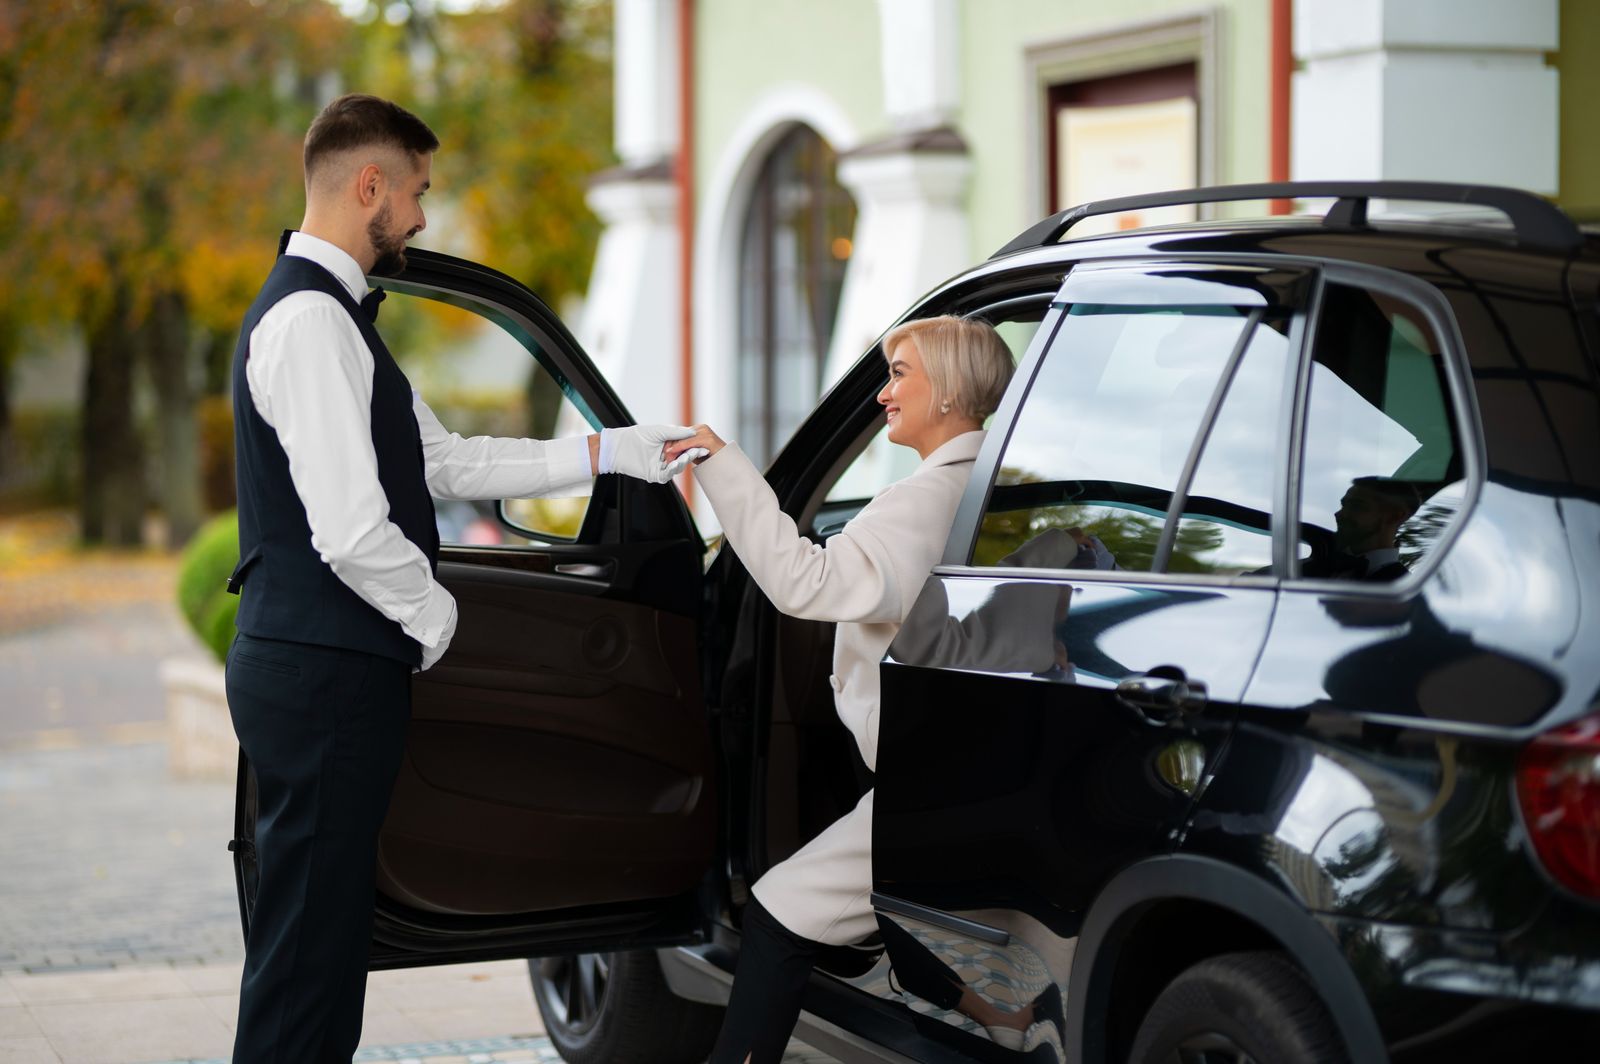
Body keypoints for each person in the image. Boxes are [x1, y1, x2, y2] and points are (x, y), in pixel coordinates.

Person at [224, 93, 695, 1063]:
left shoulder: (338, 323)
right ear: (369, 186)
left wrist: (614, 452)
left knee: (320, 953)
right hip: (322, 677)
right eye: (417, 192)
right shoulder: (312, 324)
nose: (423, 217)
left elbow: (448, 462)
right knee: (302, 965)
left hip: (322, 669)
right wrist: (437, 617)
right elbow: (351, 530)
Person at [664, 314, 1018, 1062]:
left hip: (928, 789)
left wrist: (722, 464)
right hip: (989, 768)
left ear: (951, 391)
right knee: (878, 906)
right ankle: (995, 1015)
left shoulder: (923, 501)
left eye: (901, 373)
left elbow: (803, 581)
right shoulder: (1007, 489)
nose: (885, 394)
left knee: (779, 911)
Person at [1304, 475, 1424, 581]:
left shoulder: (1403, 587)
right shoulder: (1311, 564)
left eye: (1357, 506)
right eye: (1343, 505)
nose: (1339, 514)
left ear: (1394, 516)